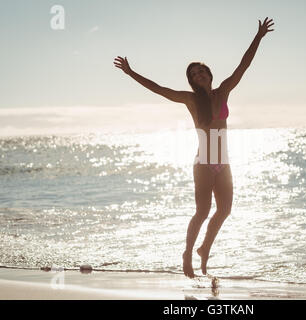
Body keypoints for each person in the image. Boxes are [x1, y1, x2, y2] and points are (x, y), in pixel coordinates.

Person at [114, 17, 274, 278]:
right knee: (202, 211)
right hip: (203, 162)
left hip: (225, 162)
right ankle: (187, 253)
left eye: (202, 71)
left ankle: (204, 249)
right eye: (193, 74)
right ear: (191, 81)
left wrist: (258, 37)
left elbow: (243, 66)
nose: (199, 75)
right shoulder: (190, 99)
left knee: (224, 211)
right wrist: (131, 73)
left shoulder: (223, 92)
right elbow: (159, 89)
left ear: (209, 74)